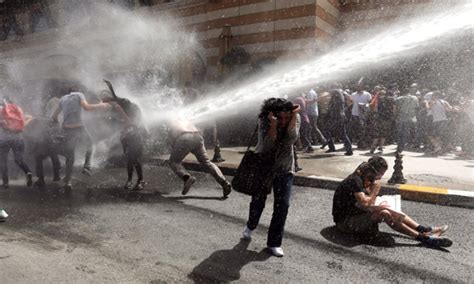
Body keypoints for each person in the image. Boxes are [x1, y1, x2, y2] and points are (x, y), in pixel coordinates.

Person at [332, 156, 452, 248]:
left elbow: (365, 202)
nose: (379, 178)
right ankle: (424, 239)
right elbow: (365, 203)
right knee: (385, 213)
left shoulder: (364, 176)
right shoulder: (355, 180)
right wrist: (375, 191)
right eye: (380, 175)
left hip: (355, 214)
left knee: (391, 208)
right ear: (372, 171)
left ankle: (423, 229)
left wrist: (374, 195)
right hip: (344, 223)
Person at [242, 98, 300, 257]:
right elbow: (267, 145)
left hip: (285, 168)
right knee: (258, 201)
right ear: (272, 115)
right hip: (264, 167)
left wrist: (293, 118)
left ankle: (274, 243)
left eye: (287, 117)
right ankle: (251, 225)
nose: (284, 121)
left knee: (283, 205)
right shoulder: (264, 120)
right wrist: (273, 125)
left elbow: (291, 140)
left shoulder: (295, 118)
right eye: (280, 117)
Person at [52, 86, 110, 190]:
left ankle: (68, 181)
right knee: (90, 144)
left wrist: (59, 124)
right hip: (79, 127)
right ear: (77, 91)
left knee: (70, 156)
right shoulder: (79, 95)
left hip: (67, 129)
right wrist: (101, 105)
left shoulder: (62, 99)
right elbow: (87, 107)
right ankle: (87, 167)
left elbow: (54, 116)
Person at [167, 118, 232, 197]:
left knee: (174, 162)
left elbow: (171, 140)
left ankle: (186, 177)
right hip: (197, 137)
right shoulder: (183, 117)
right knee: (206, 162)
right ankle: (224, 182)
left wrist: (176, 148)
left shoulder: (170, 120)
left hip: (184, 138)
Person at [101, 83, 147, 191]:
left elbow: (130, 121)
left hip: (136, 133)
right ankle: (131, 180)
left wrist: (119, 110)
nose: (102, 102)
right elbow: (117, 123)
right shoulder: (113, 108)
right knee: (130, 159)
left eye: (104, 99)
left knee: (134, 158)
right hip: (126, 135)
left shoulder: (124, 103)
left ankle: (140, 180)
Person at [0, 98, 33, 188]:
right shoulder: (18, 109)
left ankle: (5, 183)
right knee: (19, 160)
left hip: (4, 140)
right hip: (18, 138)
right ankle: (28, 172)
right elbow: (23, 123)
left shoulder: (1, 109)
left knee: (3, 161)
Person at [325, 89, 353, 156]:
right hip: (339, 118)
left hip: (337, 119)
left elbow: (332, 111)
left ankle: (332, 147)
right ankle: (348, 149)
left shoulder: (336, 102)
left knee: (328, 131)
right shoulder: (340, 101)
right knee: (343, 134)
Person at [348, 82, 372, 149]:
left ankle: (362, 143)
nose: (358, 88)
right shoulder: (353, 94)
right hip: (355, 114)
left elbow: (370, 103)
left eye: (359, 86)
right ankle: (359, 142)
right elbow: (350, 103)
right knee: (357, 129)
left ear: (362, 87)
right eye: (357, 87)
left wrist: (365, 106)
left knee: (363, 129)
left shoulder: (367, 94)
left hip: (364, 115)